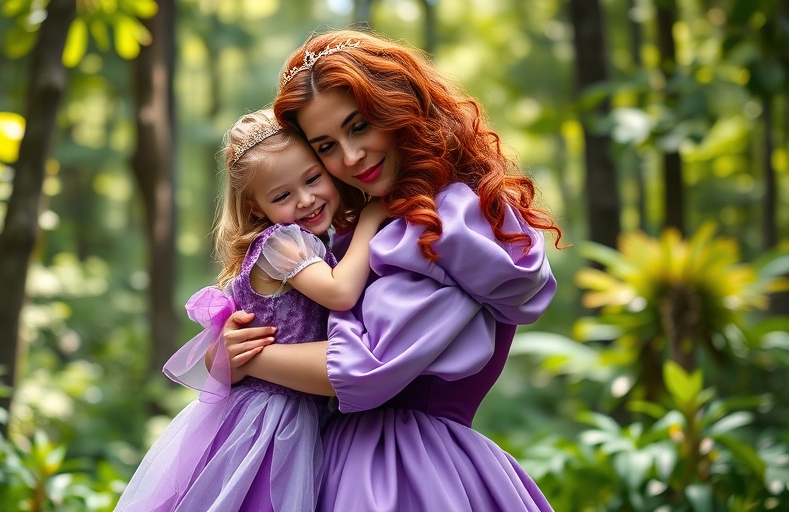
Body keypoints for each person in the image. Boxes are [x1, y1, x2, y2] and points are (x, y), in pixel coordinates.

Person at [223, 29, 563, 511]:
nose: (351, 156)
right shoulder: (386, 224)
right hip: (369, 457)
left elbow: (362, 369)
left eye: (359, 126)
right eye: (326, 146)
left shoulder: (439, 228)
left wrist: (246, 360)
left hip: (394, 471)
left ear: (397, 107)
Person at [114, 108, 386, 511]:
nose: (306, 199)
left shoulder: (313, 242)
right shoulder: (282, 242)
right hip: (268, 420)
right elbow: (340, 293)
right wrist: (373, 215)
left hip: (298, 415)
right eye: (282, 196)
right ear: (256, 207)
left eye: (312, 178)